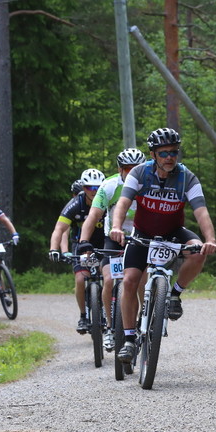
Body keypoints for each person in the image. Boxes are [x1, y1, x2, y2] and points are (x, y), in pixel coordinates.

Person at [91, 128, 216, 364]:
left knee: (198, 251)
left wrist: (210, 239)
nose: (170, 157)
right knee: (129, 280)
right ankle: (129, 339)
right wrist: (116, 227)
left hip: (173, 232)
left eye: (174, 152)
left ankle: (175, 295)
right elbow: (123, 203)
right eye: (164, 153)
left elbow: (201, 211)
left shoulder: (186, 177)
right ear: (153, 155)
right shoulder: (139, 173)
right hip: (143, 233)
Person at [78, 148, 145, 351]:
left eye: (137, 169)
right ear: (120, 169)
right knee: (108, 279)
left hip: (140, 236)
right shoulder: (109, 186)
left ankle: (146, 317)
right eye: (127, 169)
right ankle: (109, 326)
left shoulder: (148, 185)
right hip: (113, 237)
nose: (131, 172)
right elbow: (93, 217)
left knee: (142, 279)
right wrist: (83, 242)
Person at [49, 168, 106, 333]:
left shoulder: (107, 201)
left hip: (103, 245)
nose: (94, 191)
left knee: (109, 276)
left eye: (98, 187)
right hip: (81, 246)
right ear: (83, 188)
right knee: (81, 279)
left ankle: (112, 312)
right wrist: (54, 249)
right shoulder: (75, 204)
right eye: (89, 187)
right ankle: (83, 315)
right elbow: (59, 229)